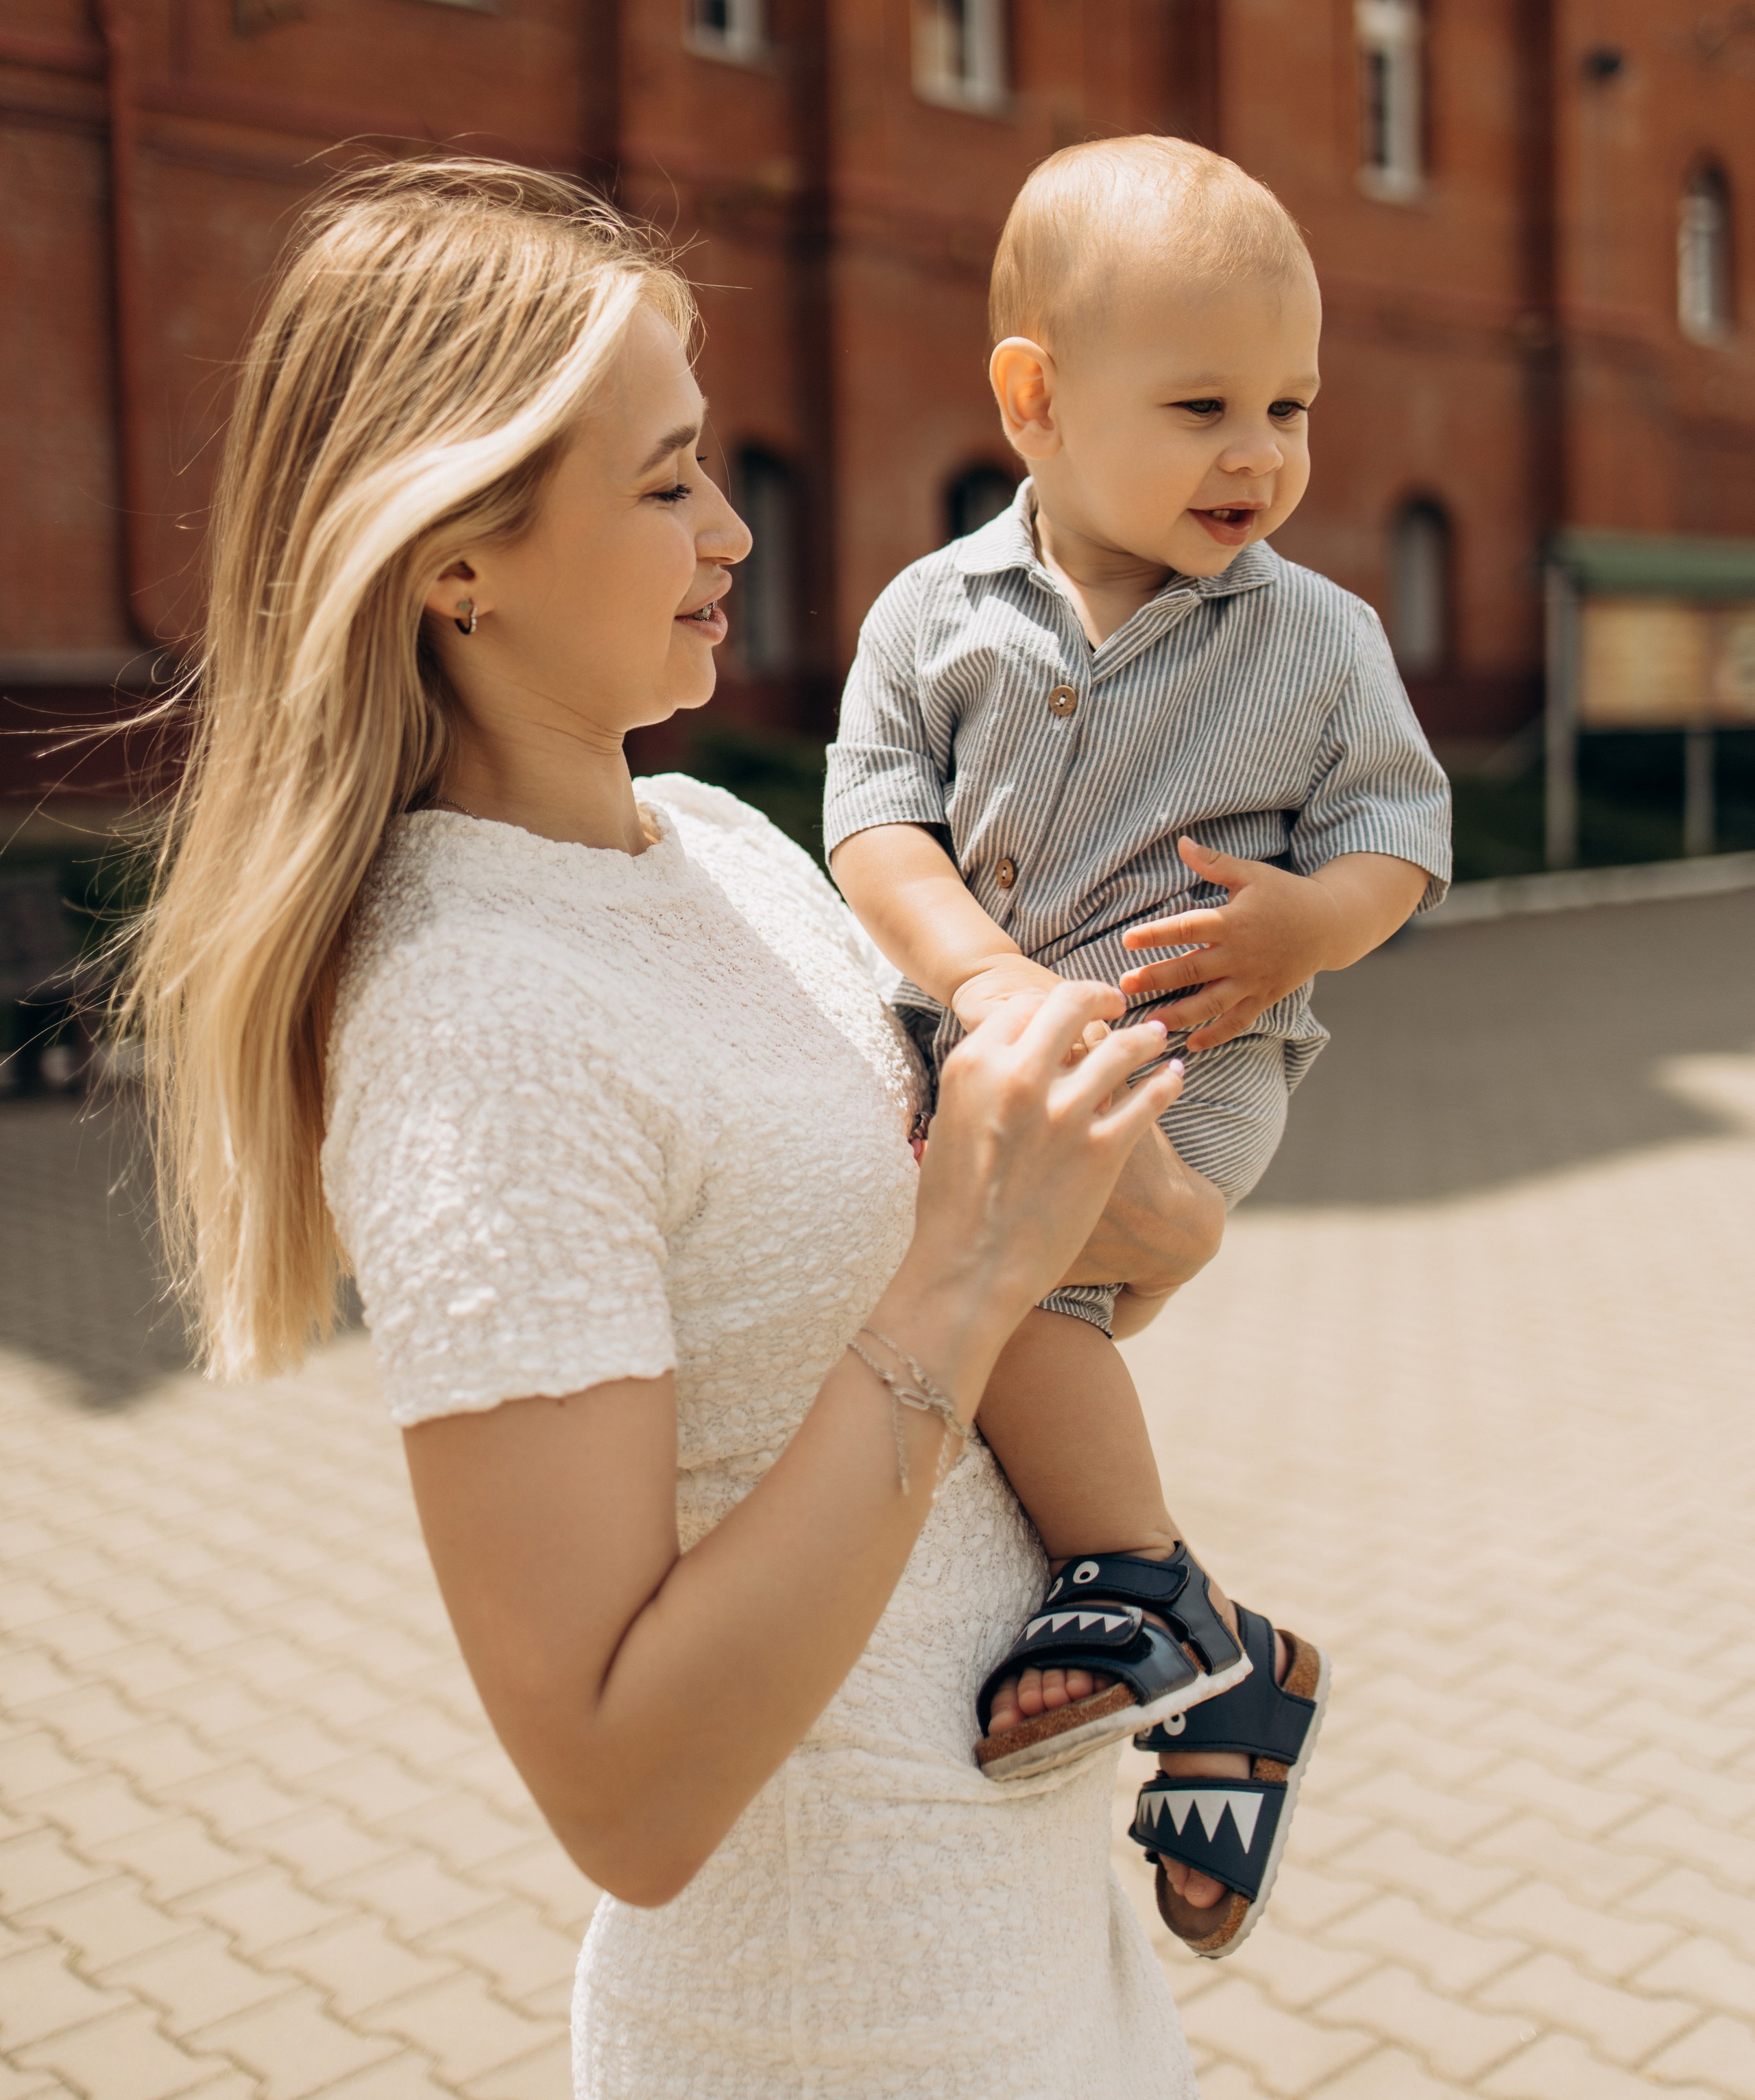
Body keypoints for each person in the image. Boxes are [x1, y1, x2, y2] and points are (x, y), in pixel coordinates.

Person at [125, 156, 1233, 2097]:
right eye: (662, 485)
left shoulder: (717, 843)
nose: (731, 530)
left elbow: (906, 1348)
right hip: (838, 2019)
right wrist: (968, 1271)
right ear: (453, 558)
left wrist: (1096, 1202)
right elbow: (626, 1795)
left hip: (1041, 1957)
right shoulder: (476, 1017)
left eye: (706, 463)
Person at [827, 134, 1453, 1955]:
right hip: (989, 1042)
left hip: (1199, 1062)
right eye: (1200, 406)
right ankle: (1231, 1684)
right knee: (1008, 1298)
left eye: (1289, 405)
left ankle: (1145, 1587)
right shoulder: (934, 615)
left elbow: (1401, 834)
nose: (1258, 455)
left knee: (1014, 1286)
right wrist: (979, 978)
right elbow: (876, 826)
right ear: (1034, 398)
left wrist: (1311, 927)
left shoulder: (1319, 641)